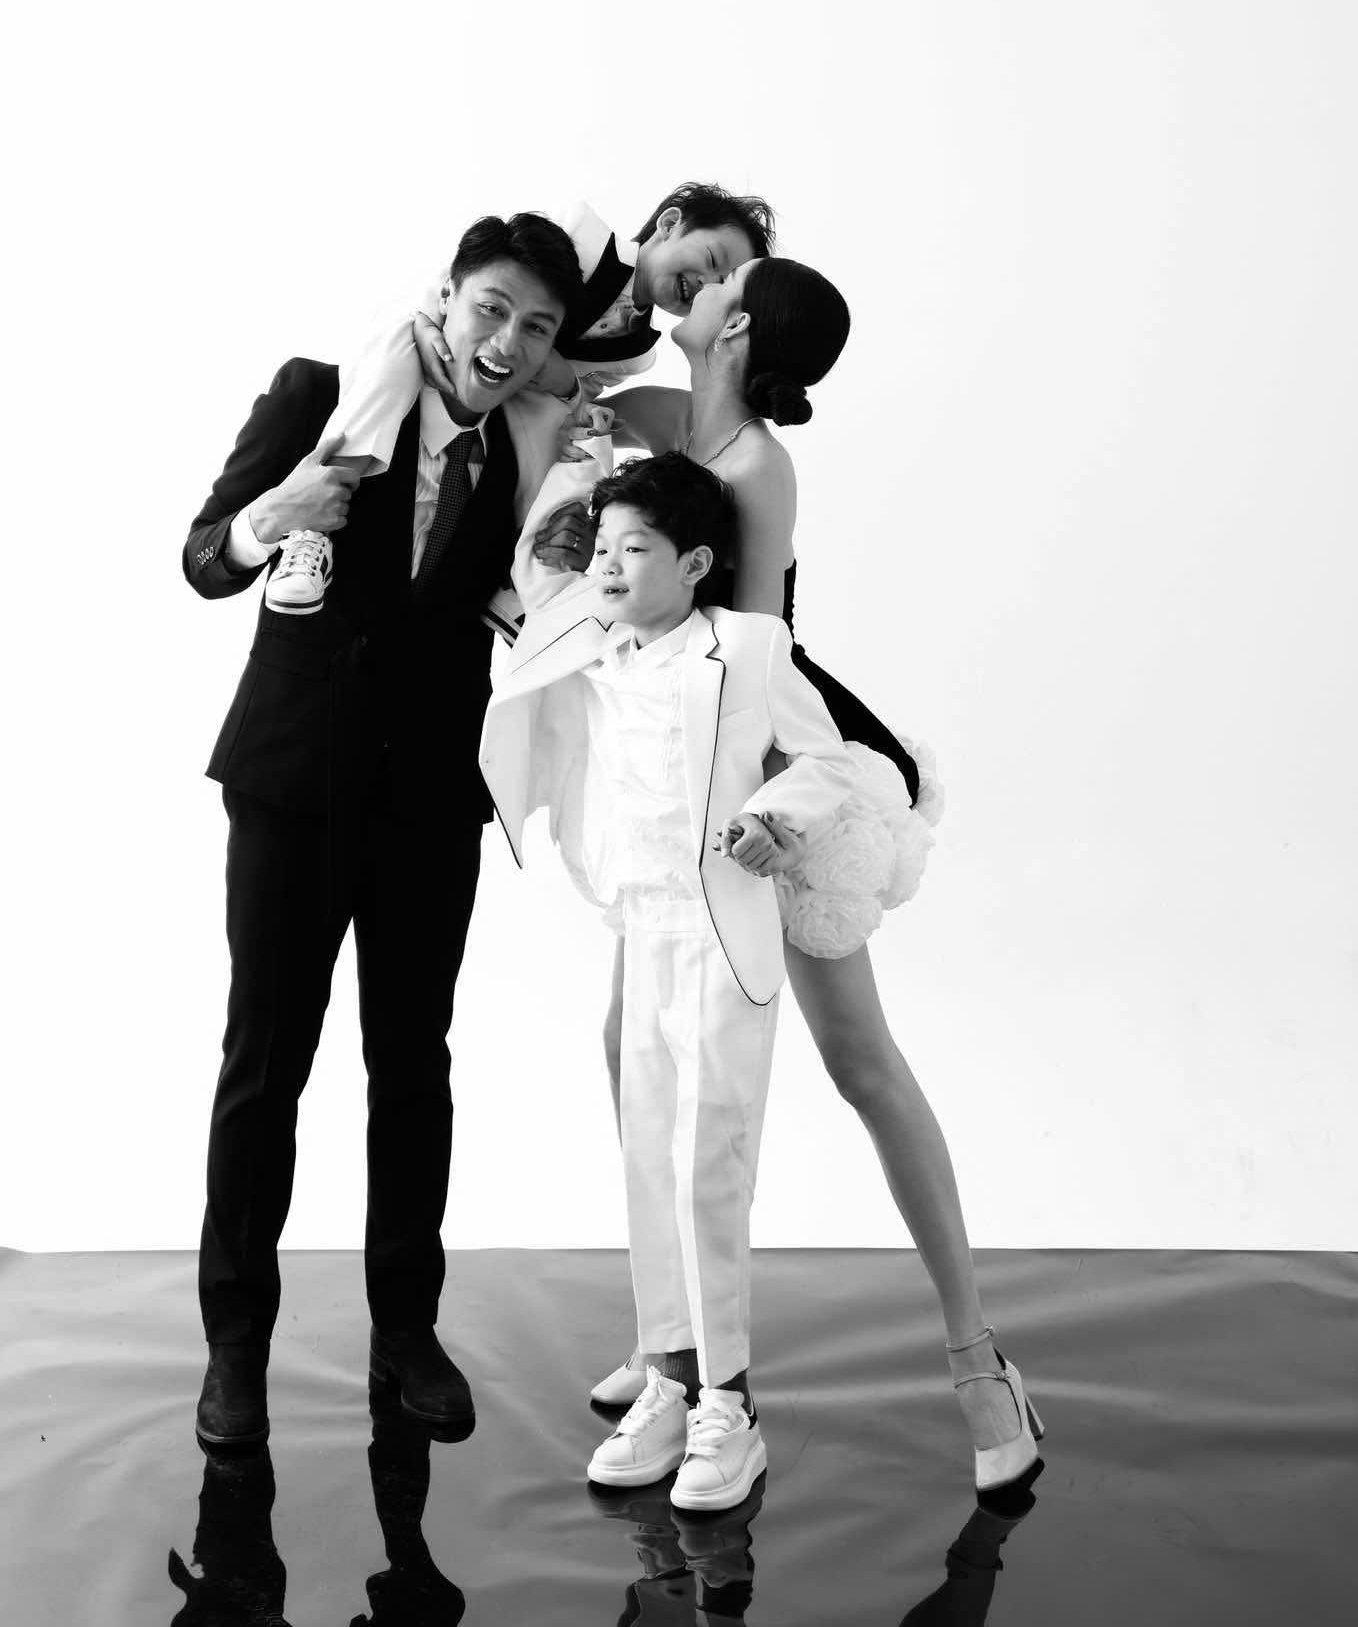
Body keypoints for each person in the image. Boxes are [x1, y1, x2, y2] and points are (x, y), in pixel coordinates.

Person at [523, 256, 1045, 1494]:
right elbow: (560, 398)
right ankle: (678, 1349)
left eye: (712, 276)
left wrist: (772, 813)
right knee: (634, 1055)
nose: (685, 285)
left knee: (858, 1061)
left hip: (761, 772)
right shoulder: (660, 419)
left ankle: (977, 1361)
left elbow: (750, 656)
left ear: (739, 320)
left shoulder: (755, 462)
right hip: (679, 794)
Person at [182, 211, 581, 1453]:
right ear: (444, 296)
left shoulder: (534, 453)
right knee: (265, 1063)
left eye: (537, 327)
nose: (507, 341)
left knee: (413, 1067)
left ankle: (406, 1327)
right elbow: (202, 559)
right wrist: (273, 514)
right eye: (491, 307)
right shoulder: (323, 393)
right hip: (291, 782)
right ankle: (235, 1343)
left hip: (429, 799)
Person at [479, 452, 855, 1511]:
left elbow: (830, 760)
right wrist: (579, 475)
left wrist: (774, 818)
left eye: (634, 548)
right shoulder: (582, 642)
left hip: (721, 933)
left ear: (694, 563)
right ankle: (670, 1377)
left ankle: (731, 1407)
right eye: (602, 549)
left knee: (707, 1167)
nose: (607, 566)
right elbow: (531, 567)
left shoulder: (746, 646)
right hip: (640, 929)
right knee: (649, 1158)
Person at [264, 184, 775, 618]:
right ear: (669, 224)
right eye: (712, 261)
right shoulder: (582, 235)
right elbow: (468, 279)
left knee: (574, 449)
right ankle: (313, 528)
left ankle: (522, 580)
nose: (705, 284)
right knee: (390, 362)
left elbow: (580, 393)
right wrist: (424, 322)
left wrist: (571, 396)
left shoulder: (639, 353)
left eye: (721, 283)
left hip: (521, 394)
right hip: (437, 340)